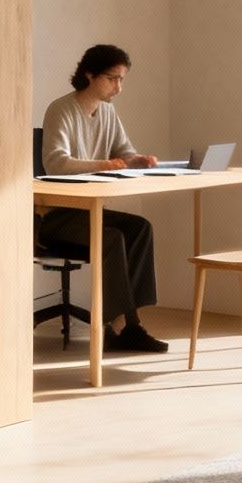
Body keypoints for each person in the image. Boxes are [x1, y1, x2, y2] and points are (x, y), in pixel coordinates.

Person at [38, 45, 170, 353]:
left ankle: (127, 326)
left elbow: (123, 151)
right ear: (90, 75)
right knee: (112, 239)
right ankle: (115, 327)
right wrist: (104, 165)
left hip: (88, 209)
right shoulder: (61, 109)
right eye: (112, 79)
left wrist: (139, 160)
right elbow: (55, 163)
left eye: (121, 79)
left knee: (140, 228)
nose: (118, 88)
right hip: (56, 215)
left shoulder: (108, 112)